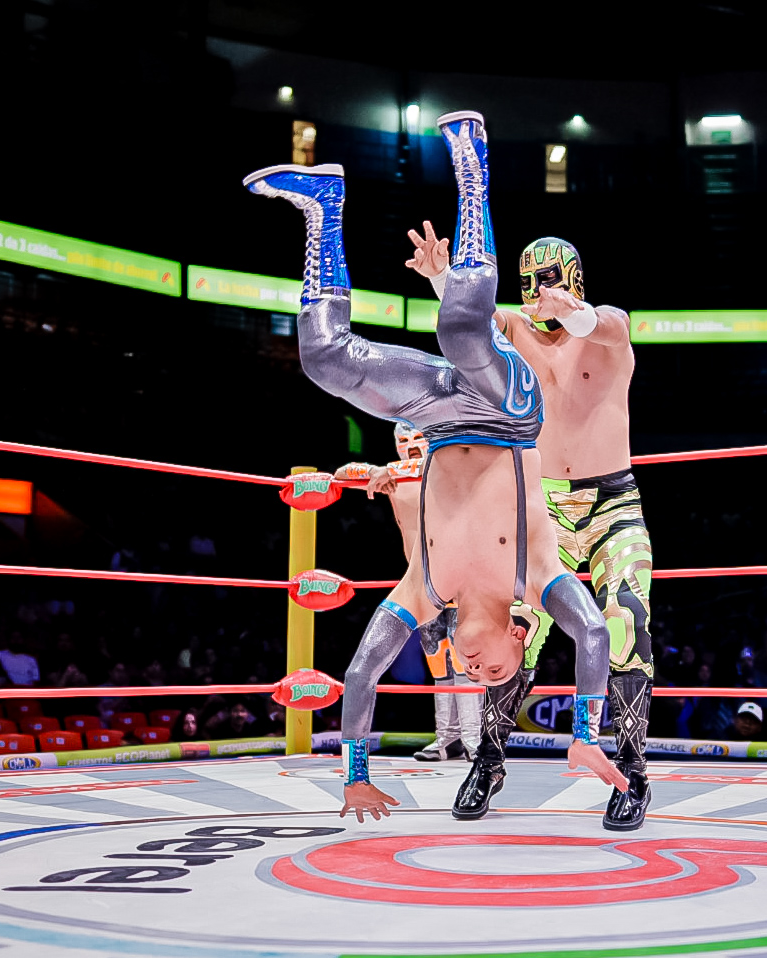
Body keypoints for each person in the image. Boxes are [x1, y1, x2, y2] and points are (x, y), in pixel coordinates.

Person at [244, 110, 626, 824]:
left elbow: (362, 672)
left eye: (473, 676)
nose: (478, 674)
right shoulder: (536, 581)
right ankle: (472, 167)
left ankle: (323, 208)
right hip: (509, 412)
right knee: (459, 329)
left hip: (439, 418)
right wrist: (583, 734)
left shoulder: (424, 592)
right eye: (497, 672)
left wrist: (355, 776)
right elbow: (595, 635)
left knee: (326, 361)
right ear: (519, 637)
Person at [406, 196, 651, 830]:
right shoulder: (512, 329)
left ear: (573, 279)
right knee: (516, 627)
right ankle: (487, 761)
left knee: (625, 620)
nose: (540, 291)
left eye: (550, 279)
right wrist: (440, 277)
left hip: (612, 501)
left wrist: (572, 311)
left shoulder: (610, 328)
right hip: (537, 509)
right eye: (531, 281)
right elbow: (471, 323)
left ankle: (631, 771)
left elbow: (597, 322)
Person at [335, 424, 482, 763]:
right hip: (421, 580)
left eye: (418, 439)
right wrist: (376, 471)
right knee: (437, 658)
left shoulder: (444, 468)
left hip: (459, 574)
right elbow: (342, 473)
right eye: (404, 441)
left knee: (464, 657)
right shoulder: (392, 477)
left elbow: (436, 462)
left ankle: (475, 740)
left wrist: (390, 470)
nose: (413, 446)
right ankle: (447, 739)